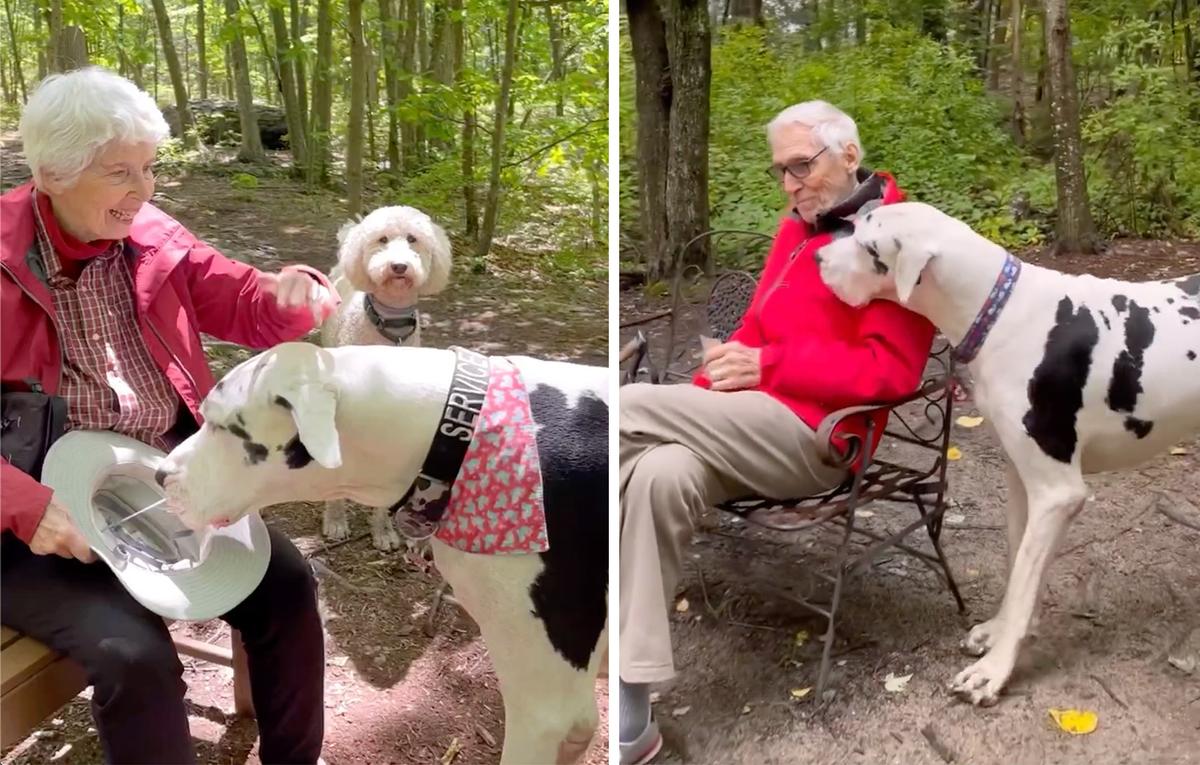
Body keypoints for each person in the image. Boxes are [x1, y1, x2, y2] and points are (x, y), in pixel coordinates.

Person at [0, 67, 338, 764]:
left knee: (287, 586)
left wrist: (301, 295)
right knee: (134, 657)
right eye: (121, 172)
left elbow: (243, 298)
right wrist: (23, 503)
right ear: (55, 173)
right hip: (36, 520)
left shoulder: (150, 235)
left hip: (156, 480)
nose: (144, 190)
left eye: (151, 167)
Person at [618, 101, 936, 764]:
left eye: (802, 166)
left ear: (849, 154)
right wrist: (716, 385)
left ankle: (545, 546)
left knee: (619, 407)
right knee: (660, 473)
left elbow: (893, 372)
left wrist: (772, 365)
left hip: (818, 437)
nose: (791, 186)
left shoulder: (898, 235)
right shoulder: (795, 230)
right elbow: (752, 332)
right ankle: (631, 692)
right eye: (782, 172)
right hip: (748, 424)